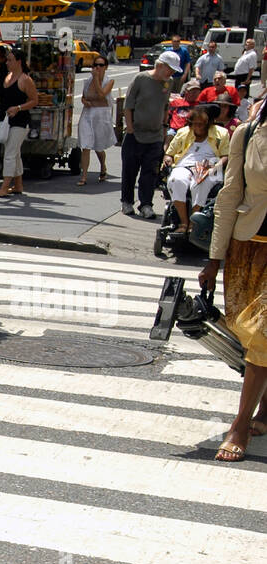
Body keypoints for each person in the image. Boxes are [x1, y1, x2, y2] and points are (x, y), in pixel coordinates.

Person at [199, 109, 267, 461]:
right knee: (246, 330)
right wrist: (214, 258)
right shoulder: (249, 131)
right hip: (247, 246)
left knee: (261, 334)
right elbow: (229, 195)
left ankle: (239, 426)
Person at [121, 50, 178, 217]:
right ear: (160, 65)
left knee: (150, 172)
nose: (172, 73)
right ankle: (127, 202)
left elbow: (165, 105)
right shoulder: (141, 79)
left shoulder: (169, 83)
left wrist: (164, 127)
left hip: (155, 135)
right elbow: (128, 105)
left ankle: (146, 204)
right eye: (170, 69)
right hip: (135, 133)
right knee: (130, 171)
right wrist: (130, 127)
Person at [162, 104, 228, 235]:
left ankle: (194, 222)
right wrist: (168, 158)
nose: (198, 127)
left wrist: (216, 167)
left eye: (201, 124)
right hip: (185, 164)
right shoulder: (183, 132)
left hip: (210, 166)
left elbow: (225, 155)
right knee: (176, 180)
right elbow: (169, 153)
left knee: (198, 183)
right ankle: (183, 222)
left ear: (208, 123)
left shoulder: (221, 133)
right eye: (195, 124)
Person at [0, 47, 38, 197]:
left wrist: (19, 108)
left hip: (20, 121)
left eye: (10, 60)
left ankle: (4, 187)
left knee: (10, 153)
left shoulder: (25, 79)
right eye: (7, 59)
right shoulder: (7, 76)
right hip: (6, 120)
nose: (7, 62)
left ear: (19, 61)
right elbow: (3, 96)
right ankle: (18, 185)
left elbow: (34, 101)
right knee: (14, 152)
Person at [77, 56, 115, 185]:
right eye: (95, 65)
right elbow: (83, 97)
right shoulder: (88, 81)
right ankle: (84, 176)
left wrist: (97, 79)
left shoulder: (109, 81)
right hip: (87, 114)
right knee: (85, 145)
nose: (97, 67)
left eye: (101, 65)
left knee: (99, 146)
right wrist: (85, 102)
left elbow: (101, 94)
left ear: (106, 67)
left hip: (101, 115)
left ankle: (103, 166)